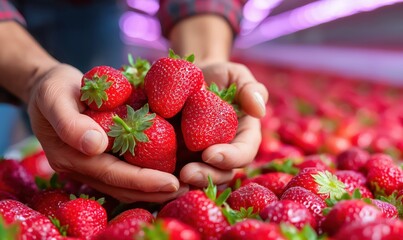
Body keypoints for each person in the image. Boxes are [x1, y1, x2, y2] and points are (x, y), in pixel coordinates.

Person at [0, 0, 269, 203]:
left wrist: (207, 59)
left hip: (91, 11)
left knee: (69, 112)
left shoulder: (164, 97)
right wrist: (34, 76)